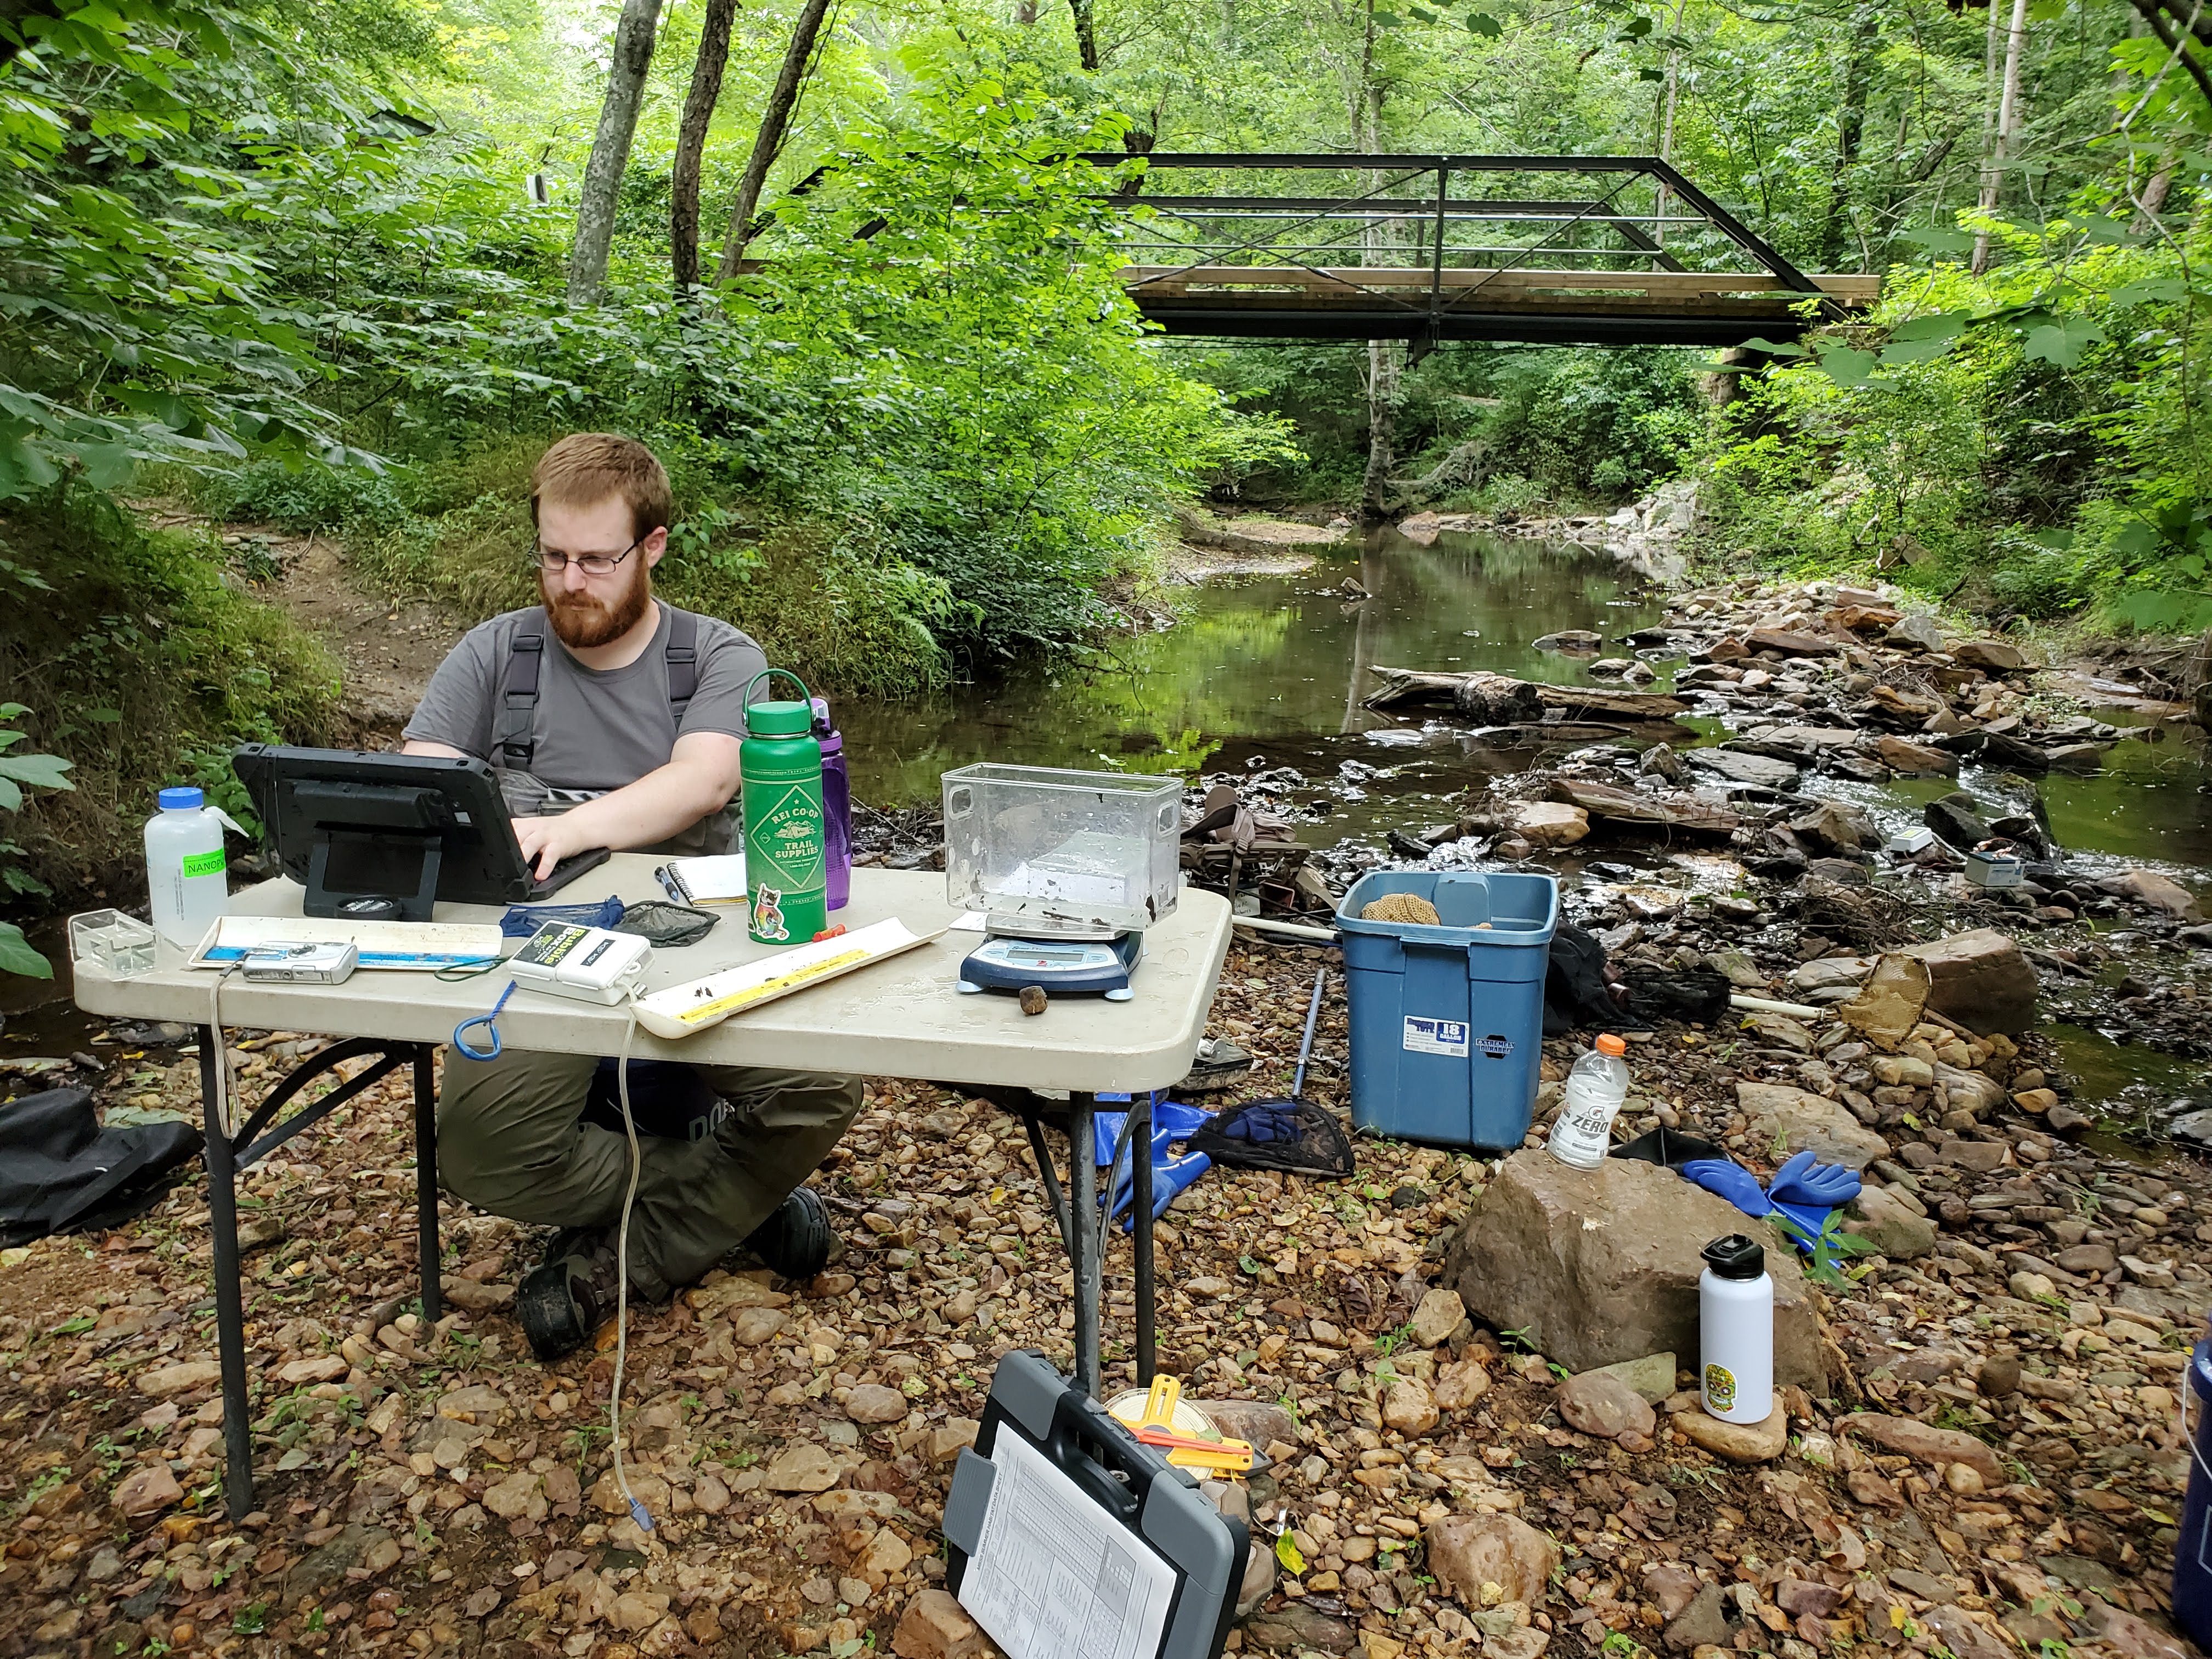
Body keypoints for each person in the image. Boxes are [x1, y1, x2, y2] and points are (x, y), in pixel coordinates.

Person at [402, 432, 856, 1359]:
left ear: (652, 547)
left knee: (822, 1088)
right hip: (538, 960)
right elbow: (425, 785)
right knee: (484, 1154)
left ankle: (626, 1256)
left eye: (597, 560)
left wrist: (567, 827)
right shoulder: (495, 653)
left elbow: (703, 781)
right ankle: (734, 1198)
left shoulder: (719, 657)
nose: (572, 581)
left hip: (701, 948)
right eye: (553, 557)